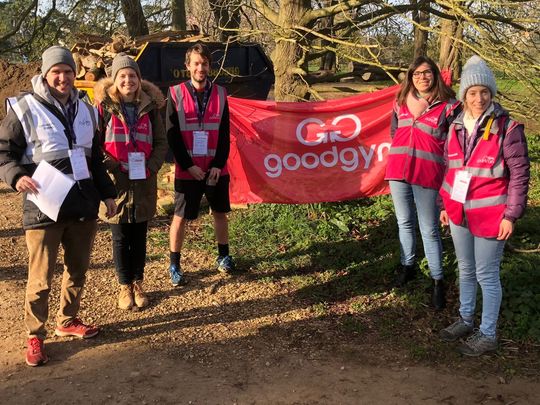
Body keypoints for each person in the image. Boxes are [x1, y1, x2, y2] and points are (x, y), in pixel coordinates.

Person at [0, 45, 117, 366]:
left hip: (82, 205)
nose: (63, 77)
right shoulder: (24, 108)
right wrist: (15, 177)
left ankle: (67, 321)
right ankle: (34, 336)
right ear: (45, 74)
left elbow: (95, 159)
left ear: (74, 73)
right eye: (56, 72)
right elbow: (4, 152)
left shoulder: (88, 109)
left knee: (77, 270)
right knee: (41, 277)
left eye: (67, 71)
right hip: (43, 207)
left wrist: (107, 193)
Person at [439, 56, 530, 356]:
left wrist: (511, 215)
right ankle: (466, 319)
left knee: (486, 275)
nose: (479, 98)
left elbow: (519, 174)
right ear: (464, 95)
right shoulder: (454, 125)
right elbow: (449, 169)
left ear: (492, 94)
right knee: (465, 269)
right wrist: (444, 204)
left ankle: (488, 334)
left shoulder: (508, 127)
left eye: (485, 92)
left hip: (492, 215)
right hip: (458, 212)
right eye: (473, 92)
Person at [385, 55, 461, 309]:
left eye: (426, 73)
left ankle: (437, 279)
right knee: (404, 221)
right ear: (410, 77)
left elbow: (455, 146)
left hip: (428, 174)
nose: (421, 78)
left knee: (428, 228)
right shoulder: (400, 102)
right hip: (398, 171)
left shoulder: (450, 106)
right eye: (416, 74)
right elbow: (395, 133)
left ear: (435, 74)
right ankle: (408, 266)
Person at [93, 54, 167, 310]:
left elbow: (160, 143)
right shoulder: (103, 108)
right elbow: (95, 146)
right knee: (120, 236)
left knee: (140, 235)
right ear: (115, 80)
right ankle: (124, 285)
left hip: (144, 180)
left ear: (139, 79)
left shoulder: (151, 106)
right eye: (122, 76)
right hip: (117, 182)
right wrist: (114, 166)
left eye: (132, 75)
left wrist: (152, 166)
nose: (128, 80)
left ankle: (138, 282)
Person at [166, 42, 234, 286]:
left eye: (204, 63)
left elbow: (225, 133)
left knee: (220, 213)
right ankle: (174, 264)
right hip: (188, 169)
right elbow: (171, 135)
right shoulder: (175, 94)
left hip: (215, 168)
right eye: (196, 63)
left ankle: (224, 256)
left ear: (209, 66)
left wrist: (218, 164)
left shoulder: (221, 93)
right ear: (188, 66)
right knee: (180, 216)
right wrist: (187, 165)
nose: (200, 68)